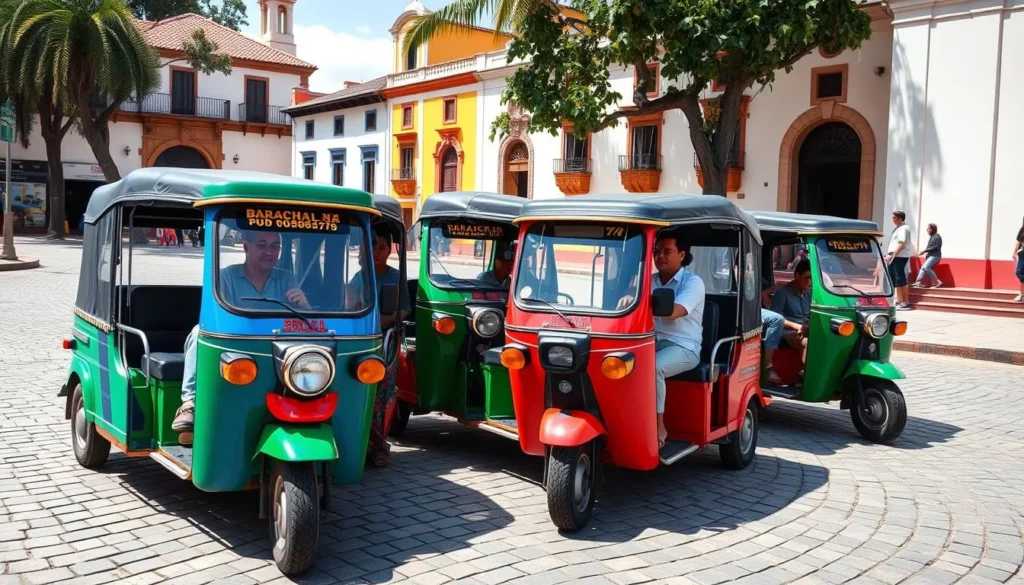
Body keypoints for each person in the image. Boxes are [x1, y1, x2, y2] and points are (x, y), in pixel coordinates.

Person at [171, 230, 310, 444]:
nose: (269, 251)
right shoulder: (226, 276)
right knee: (199, 331)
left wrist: (304, 304)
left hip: (273, 344)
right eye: (262, 244)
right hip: (236, 344)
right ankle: (190, 403)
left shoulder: (286, 278)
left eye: (275, 246)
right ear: (246, 247)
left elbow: (305, 321)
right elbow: (216, 317)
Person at [617, 232, 704, 450]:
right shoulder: (650, 280)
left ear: (682, 255)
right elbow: (625, 302)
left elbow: (674, 311)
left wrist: (639, 302)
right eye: (657, 251)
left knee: (653, 368)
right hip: (651, 342)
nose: (660, 256)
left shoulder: (693, 282)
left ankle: (658, 426)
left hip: (684, 346)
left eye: (667, 251)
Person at [350, 226, 411, 467]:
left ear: (389, 251)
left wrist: (376, 322)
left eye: (382, 247)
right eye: (373, 246)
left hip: (385, 340)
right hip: (359, 340)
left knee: (381, 395)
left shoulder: (395, 277)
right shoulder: (359, 277)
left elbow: (404, 309)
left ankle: (378, 446)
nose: (377, 251)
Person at [771, 259, 811, 380]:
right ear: (797, 275)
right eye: (806, 277)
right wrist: (797, 327)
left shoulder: (809, 294)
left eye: (811, 278)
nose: (809, 281)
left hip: (807, 327)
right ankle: (806, 376)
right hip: (787, 331)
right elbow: (775, 319)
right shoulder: (782, 293)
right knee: (807, 343)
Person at [885, 210, 913, 310]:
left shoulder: (903, 228)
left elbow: (902, 243)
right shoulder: (898, 228)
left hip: (899, 256)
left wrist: (893, 254)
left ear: (900, 218)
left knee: (900, 279)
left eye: (894, 218)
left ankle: (905, 301)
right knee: (894, 279)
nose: (893, 219)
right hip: (893, 256)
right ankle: (898, 300)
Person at [913, 223, 943, 288]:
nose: (927, 230)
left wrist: (924, 251)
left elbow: (936, 247)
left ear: (933, 229)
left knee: (926, 268)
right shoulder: (933, 237)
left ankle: (937, 281)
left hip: (935, 256)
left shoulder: (937, 237)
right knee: (923, 268)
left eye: (929, 228)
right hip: (931, 256)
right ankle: (918, 282)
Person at [1015, 216, 1024, 303]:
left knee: (1020, 272)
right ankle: (1021, 294)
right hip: (1022, 254)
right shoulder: (1022, 230)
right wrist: (1014, 252)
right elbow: (1018, 241)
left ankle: (1021, 294)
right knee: (1019, 272)